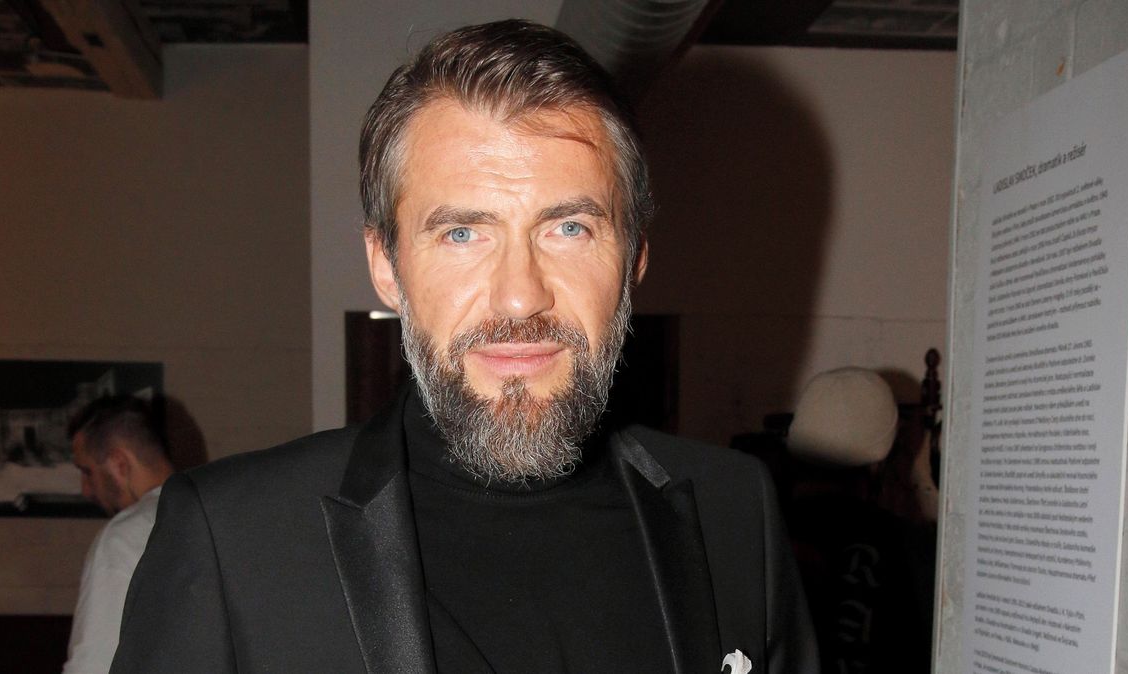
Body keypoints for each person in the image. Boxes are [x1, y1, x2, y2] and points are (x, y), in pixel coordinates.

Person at [112, 19, 816, 673]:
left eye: (569, 228)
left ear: (633, 260)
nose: (520, 297)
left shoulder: (734, 511)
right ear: (386, 266)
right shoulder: (234, 539)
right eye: (462, 233)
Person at [62, 395, 173, 674]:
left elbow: (94, 666)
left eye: (87, 471)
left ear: (119, 463)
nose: (86, 489)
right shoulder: (218, 515)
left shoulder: (123, 537)